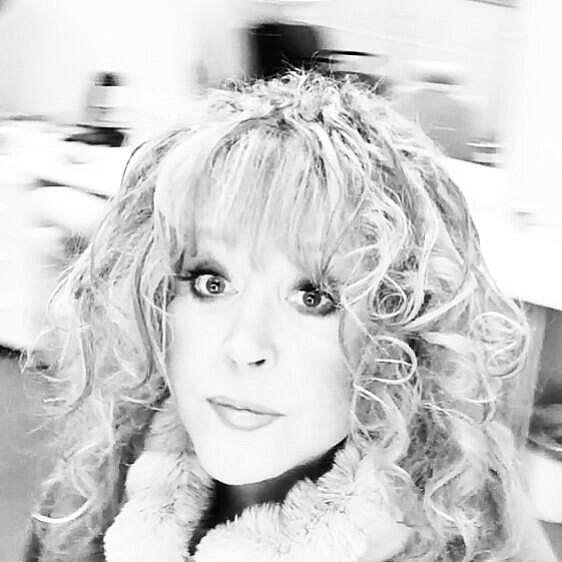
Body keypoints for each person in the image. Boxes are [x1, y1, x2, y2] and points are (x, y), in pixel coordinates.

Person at [25, 71, 556, 561]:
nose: (244, 346)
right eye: (211, 283)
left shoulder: (467, 510)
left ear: (397, 332)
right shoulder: (96, 482)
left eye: (314, 297)